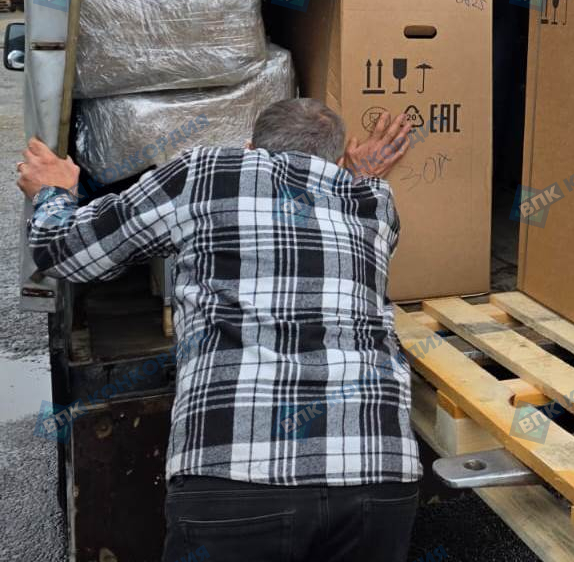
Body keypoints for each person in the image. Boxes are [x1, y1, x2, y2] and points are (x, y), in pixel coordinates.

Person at [17, 99, 419, 562]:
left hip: (234, 472)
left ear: (250, 148)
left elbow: (66, 251)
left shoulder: (204, 172)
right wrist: (354, 174)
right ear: (335, 159)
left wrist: (54, 191)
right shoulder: (376, 203)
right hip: (379, 472)